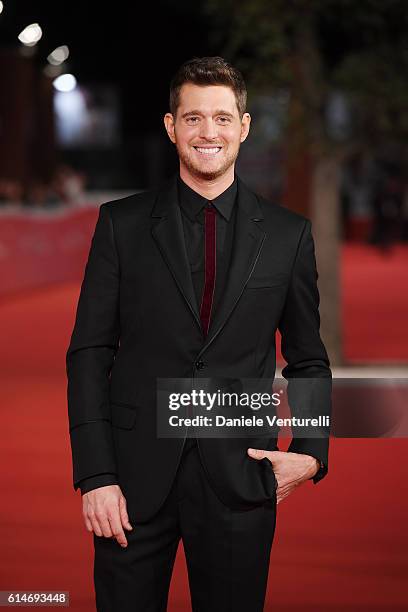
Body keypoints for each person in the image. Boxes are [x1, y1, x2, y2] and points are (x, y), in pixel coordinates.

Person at [66, 56, 332, 612]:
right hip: (130, 488)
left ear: (244, 126)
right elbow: (90, 353)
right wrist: (95, 475)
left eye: (221, 118)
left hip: (241, 477)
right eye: (192, 118)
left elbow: (308, 358)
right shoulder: (121, 224)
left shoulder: (288, 236)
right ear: (171, 127)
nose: (207, 132)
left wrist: (309, 449)